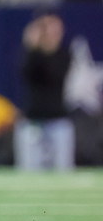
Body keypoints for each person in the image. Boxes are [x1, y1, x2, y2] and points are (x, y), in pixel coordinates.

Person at [14, 11, 74, 170]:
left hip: (58, 121)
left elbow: (54, 75)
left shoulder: (65, 55)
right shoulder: (32, 55)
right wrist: (32, 46)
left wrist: (45, 48)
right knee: (29, 170)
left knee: (63, 170)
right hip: (33, 121)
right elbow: (26, 73)